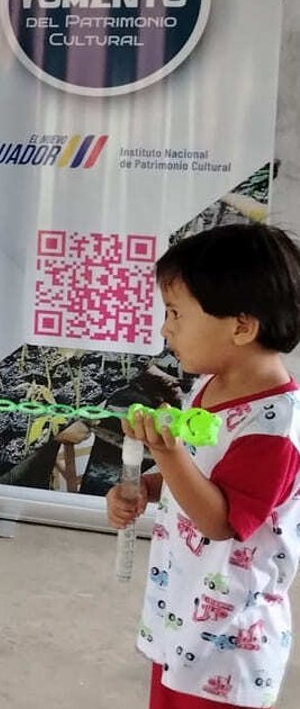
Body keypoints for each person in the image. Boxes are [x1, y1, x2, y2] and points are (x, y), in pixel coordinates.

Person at [108, 223, 300, 709]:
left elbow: (221, 519)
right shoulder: (213, 385)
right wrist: (149, 486)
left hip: (229, 642)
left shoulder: (273, 431)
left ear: (241, 326)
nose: (164, 328)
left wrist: (169, 456)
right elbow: (203, 472)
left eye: (175, 313)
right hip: (183, 614)